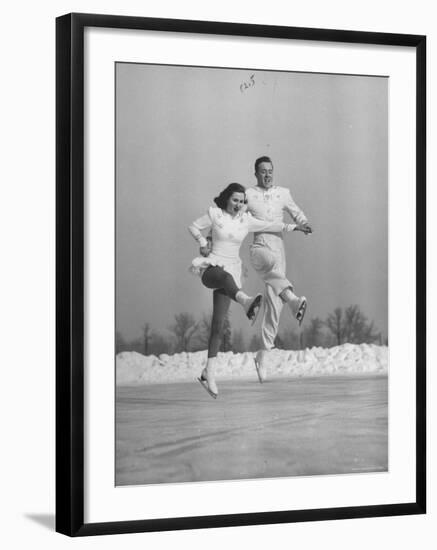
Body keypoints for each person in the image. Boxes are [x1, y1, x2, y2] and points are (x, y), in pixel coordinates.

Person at [188, 182, 303, 398]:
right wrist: (203, 241)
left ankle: (208, 373)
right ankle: (245, 301)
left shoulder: (245, 220)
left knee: (218, 325)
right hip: (212, 268)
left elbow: (271, 225)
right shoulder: (214, 214)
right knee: (222, 276)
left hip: (232, 273)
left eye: (242, 201)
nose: (238, 204)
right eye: (235, 200)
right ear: (227, 199)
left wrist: (295, 227)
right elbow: (193, 226)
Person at [245, 156, 313, 383]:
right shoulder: (248, 194)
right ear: (256, 173)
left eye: (270, 171)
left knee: (274, 304)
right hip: (259, 246)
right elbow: (233, 214)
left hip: (278, 246)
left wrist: (303, 222)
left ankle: (263, 355)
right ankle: (293, 300)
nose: (267, 175)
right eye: (263, 171)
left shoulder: (283, 193)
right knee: (271, 269)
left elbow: (296, 211)